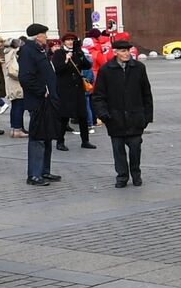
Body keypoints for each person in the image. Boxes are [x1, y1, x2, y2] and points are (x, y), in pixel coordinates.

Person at [91, 38, 153, 188]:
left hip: (135, 117)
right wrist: (104, 114)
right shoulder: (106, 70)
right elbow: (98, 95)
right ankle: (122, 176)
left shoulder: (139, 67)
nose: (127, 54)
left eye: (128, 51)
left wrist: (147, 116)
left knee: (135, 149)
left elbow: (146, 93)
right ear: (115, 52)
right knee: (118, 150)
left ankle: (136, 174)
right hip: (115, 118)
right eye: (123, 51)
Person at [18, 23, 61, 186]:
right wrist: (42, 91)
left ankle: (44, 171)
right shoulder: (28, 51)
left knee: (47, 135)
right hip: (38, 101)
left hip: (47, 101)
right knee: (38, 137)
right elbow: (25, 77)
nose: (47, 37)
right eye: (45, 34)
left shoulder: (39, 50)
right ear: (38, 37)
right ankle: (34, 174)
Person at [51, 34, 95, 151]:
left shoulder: (77, 52)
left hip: (78, 88)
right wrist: (66, 60)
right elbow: (58, 70)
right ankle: (60, 141)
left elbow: (88, 65)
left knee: (82, 115)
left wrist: (80, 54)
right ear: (63, 42)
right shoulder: (58, 54)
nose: (70, 42)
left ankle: (85, 141)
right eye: (68, 40)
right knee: (64, 116)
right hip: (64, 89)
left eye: (72, 40)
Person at [3, 38, 26, 137]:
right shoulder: (13, 54)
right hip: (17, 84)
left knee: (16, 105)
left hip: (12, 84)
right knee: (19, 106)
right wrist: (24, 75)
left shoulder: (8, 52)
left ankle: (16, 128)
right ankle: (17, 129)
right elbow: (13, 71)